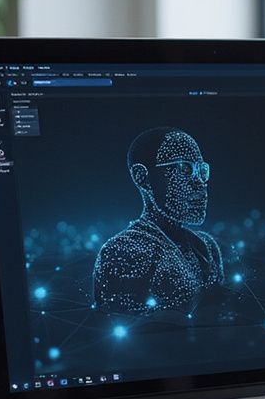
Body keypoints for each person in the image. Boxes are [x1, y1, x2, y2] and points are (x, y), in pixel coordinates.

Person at [93, 127, 223, 314]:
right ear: (142, 177)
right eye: (185, 169)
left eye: (202, 171)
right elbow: (122, 331)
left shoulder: (206, 247)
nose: (200, 183)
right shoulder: (123, 252)